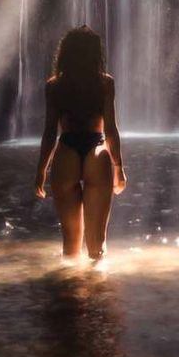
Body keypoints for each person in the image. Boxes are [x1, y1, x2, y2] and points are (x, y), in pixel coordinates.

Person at [35, 25, 126, 263]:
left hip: (66, 152)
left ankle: (70, 294)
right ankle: (98, 293)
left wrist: (41, 170)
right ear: (96, 54)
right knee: (97, 244)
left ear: (65, 53)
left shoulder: (54, 86)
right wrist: (119, 168)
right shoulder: (105, 83)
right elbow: (110, 130)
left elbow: (49, 132)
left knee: (71, 244)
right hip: (97, 151)